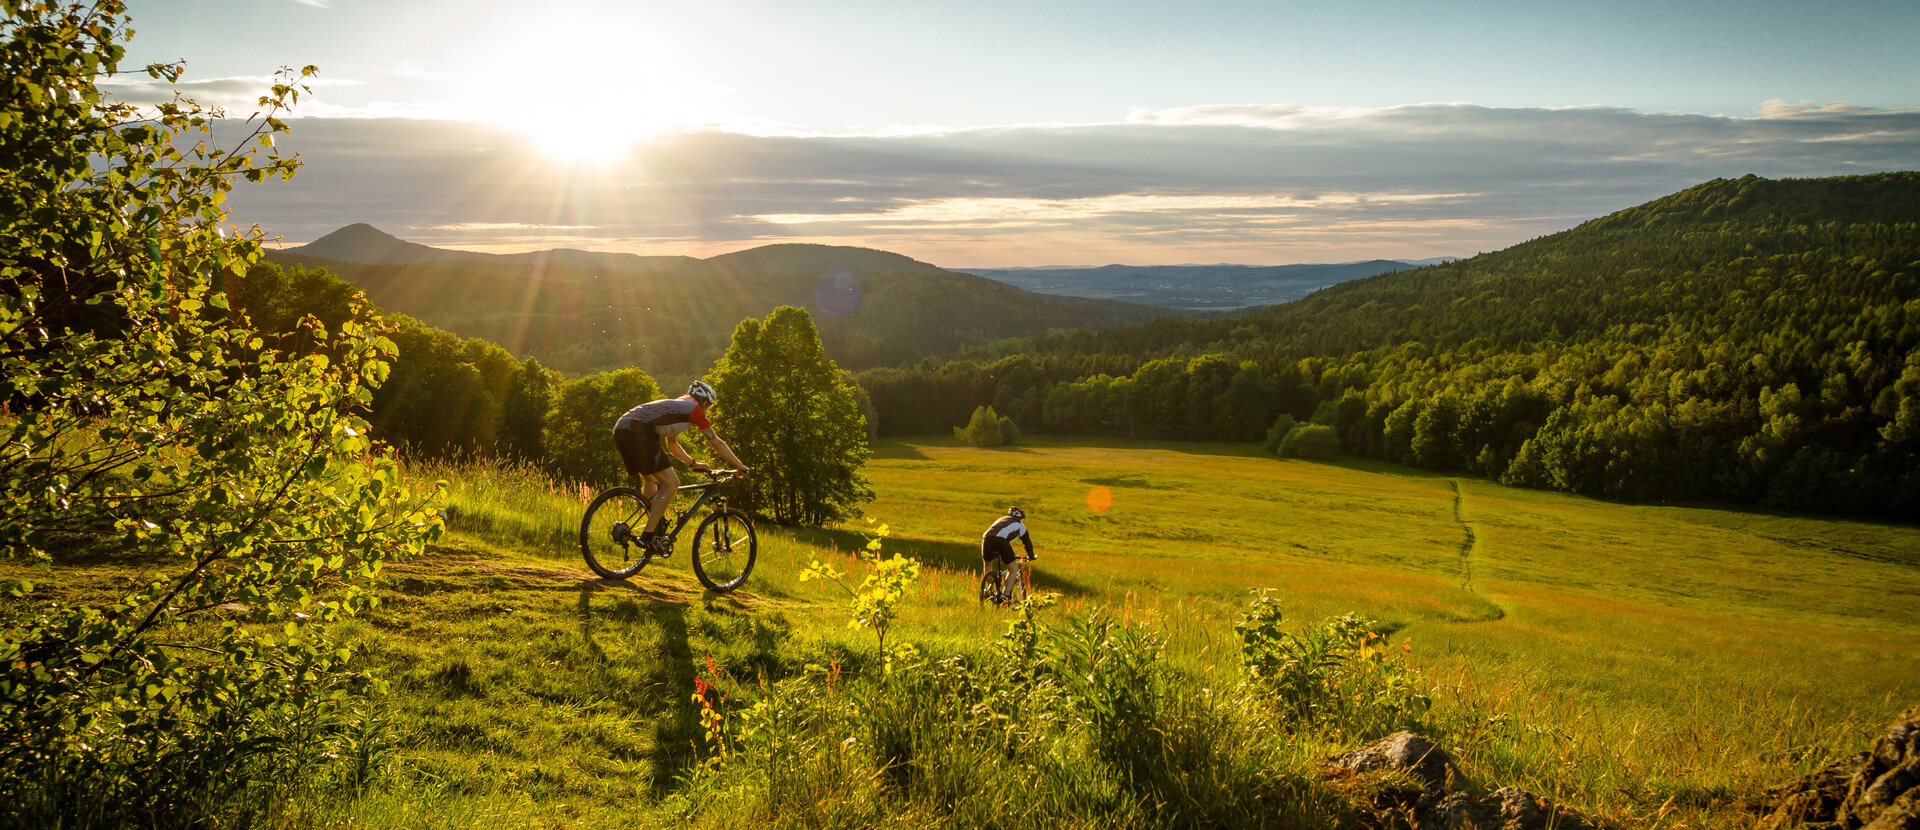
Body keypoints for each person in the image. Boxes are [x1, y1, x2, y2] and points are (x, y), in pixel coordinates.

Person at [612, 380, 749, 554]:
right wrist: (740, 465)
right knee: (672, 483)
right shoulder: (695, 411)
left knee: (651, 479)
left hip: (622, 428)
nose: (707, 411)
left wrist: (693, 463)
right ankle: (647, 535)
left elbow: (672, 445)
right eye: (709, 406)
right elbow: (717, 443)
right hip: (639, 431)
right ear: (704, 402)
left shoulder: (678, 407)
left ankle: (655, 524)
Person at [980, 506, 1035, 603]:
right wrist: (1031, 556)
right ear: (1021, 517)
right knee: (1013, 569)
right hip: (1000, 541)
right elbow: (1027, 543)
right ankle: (1005, 596)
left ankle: (991, 592)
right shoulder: (1020, 525)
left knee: (988, 565)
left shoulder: (1001, 519)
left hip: (986, 539)